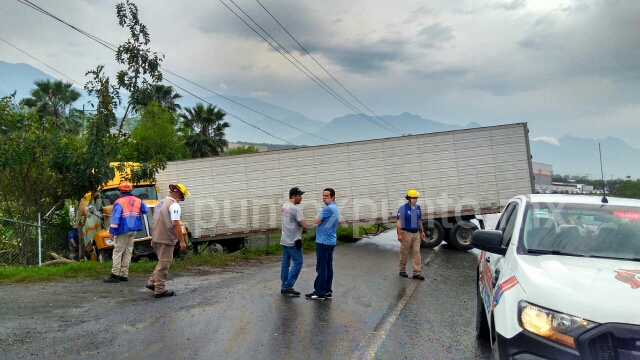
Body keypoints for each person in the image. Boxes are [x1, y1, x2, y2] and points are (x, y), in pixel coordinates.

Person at [146, 183, 190, 298]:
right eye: (182, 198)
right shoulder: (174, 206)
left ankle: (152, 282)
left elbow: (154, 222)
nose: (181, 200)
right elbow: (176, 224)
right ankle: (159, 289)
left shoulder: (159, 204)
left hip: (156, 237)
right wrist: (182, 241)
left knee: (162, 261)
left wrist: (152, 237)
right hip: (165, 238)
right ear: (179, 195)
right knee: (165, 263)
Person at [104, 181, 148, 283]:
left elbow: (115, 218)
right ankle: (124, 275)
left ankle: (114, 275)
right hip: (134, 229)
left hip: (123, 230)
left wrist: (112, 231)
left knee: (118, 251)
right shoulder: (138, 200)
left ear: (120, 191)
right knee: (128, 251)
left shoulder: (119, 202)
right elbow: (146, 210)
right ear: (131, 190)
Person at [306, 188, 340, 300]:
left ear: (333, 197)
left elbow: (316, 220)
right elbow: (320, 221)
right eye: (323, 196)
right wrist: (320, 220)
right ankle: (327, 291)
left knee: (321, 268)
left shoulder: (328, 209)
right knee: (328, 267)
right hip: (330, 241)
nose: (324, 197)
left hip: (323, 242)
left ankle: (319, 292)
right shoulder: (335, 208)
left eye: (327, 196)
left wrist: (317, 219)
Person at [280, 187, 308, 296]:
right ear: (293, 196)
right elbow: (305, 223)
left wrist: (298, 224)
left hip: (284, 239)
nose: (301, 198)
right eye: (299, 195)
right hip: (293, 241)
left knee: (285, 263)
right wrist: (302, 225)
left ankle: (284, 285)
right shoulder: (295, 209)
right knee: (298, 262)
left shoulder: (284, 206)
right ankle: (288, 285)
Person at [397, 189, 426, 281]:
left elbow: (419, 220)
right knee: (404, 253)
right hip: (406, 233)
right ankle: (402, 270)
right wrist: (399, 234)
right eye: (413, 198)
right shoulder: (402, 208)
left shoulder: (418, 208)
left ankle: (416, 273)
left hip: (416, 233)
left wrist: (422, 231)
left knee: (416, 253)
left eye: (416, 198)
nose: (415, 199)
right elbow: (399, 222)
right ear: (408, 198)